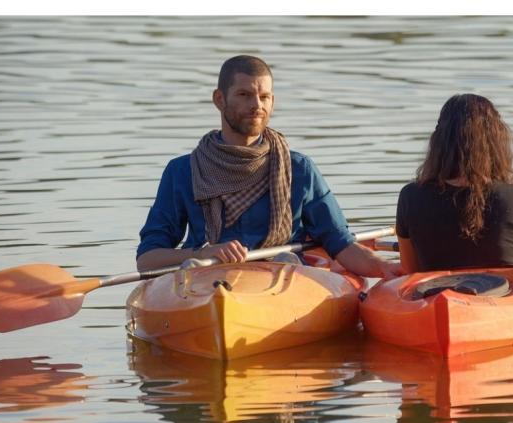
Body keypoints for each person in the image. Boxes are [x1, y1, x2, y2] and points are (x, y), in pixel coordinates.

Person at [136, 55, 401, 279]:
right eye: (244, 95)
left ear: (272, 101)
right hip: (206, 279)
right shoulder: (182, 171)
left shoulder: (299, 168)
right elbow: (147, 259)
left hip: (284, 279)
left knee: (288, 260)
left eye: (264, 97)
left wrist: (386, 269)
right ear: (219, 99)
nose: (256, 105)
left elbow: (340, 243)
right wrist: (203, 252)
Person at [395, 93, 513, 273]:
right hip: (505, 291)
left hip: (435, 291)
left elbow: (410, 272)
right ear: (495, 142)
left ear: (438, 142)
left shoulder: (410, 197)